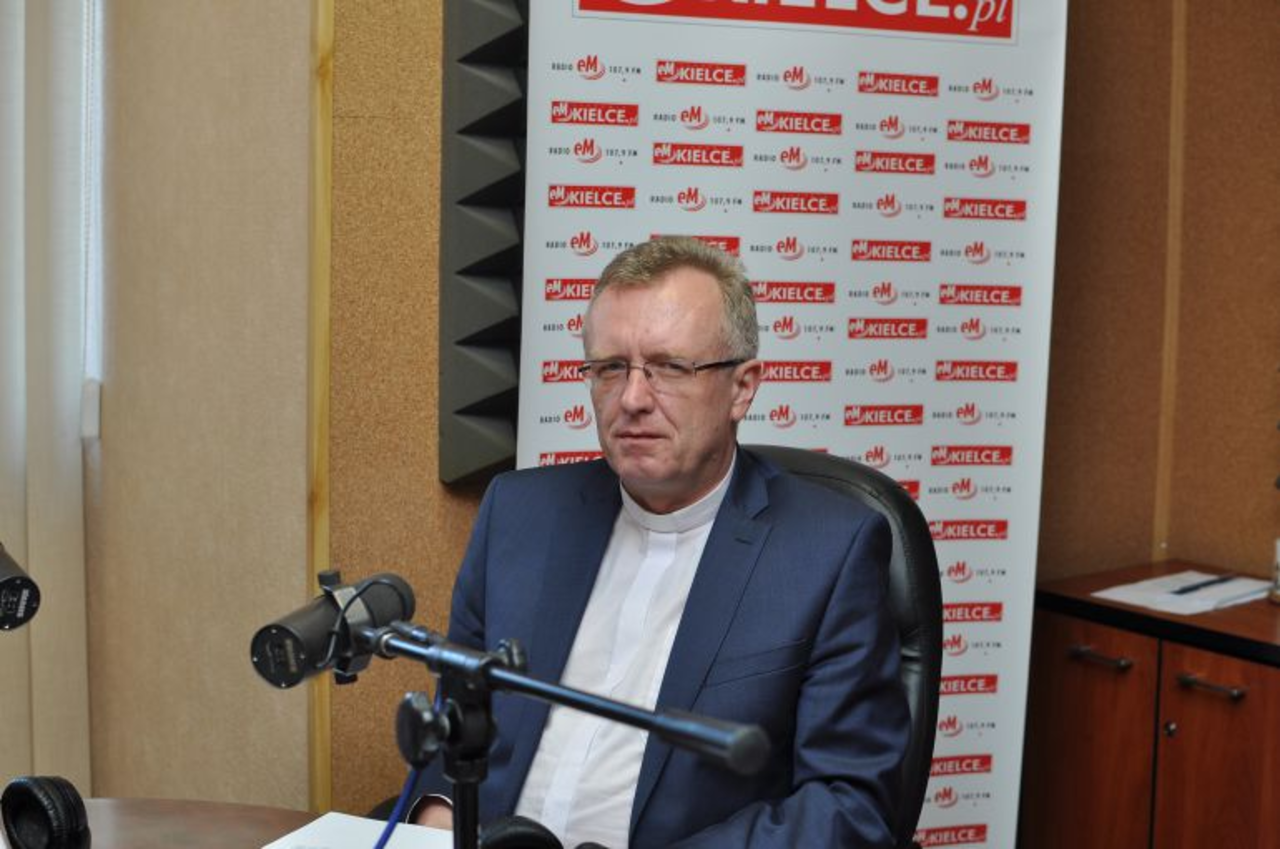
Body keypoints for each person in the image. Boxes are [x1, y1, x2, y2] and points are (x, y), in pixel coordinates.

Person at [412, 236, 908, 847]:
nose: (632, 399)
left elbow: (847, 805)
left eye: (670, 367)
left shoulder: (827, 552)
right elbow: (455, 725)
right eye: (610, 368)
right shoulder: (518, 514)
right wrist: (438, 819)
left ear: (742, 387)